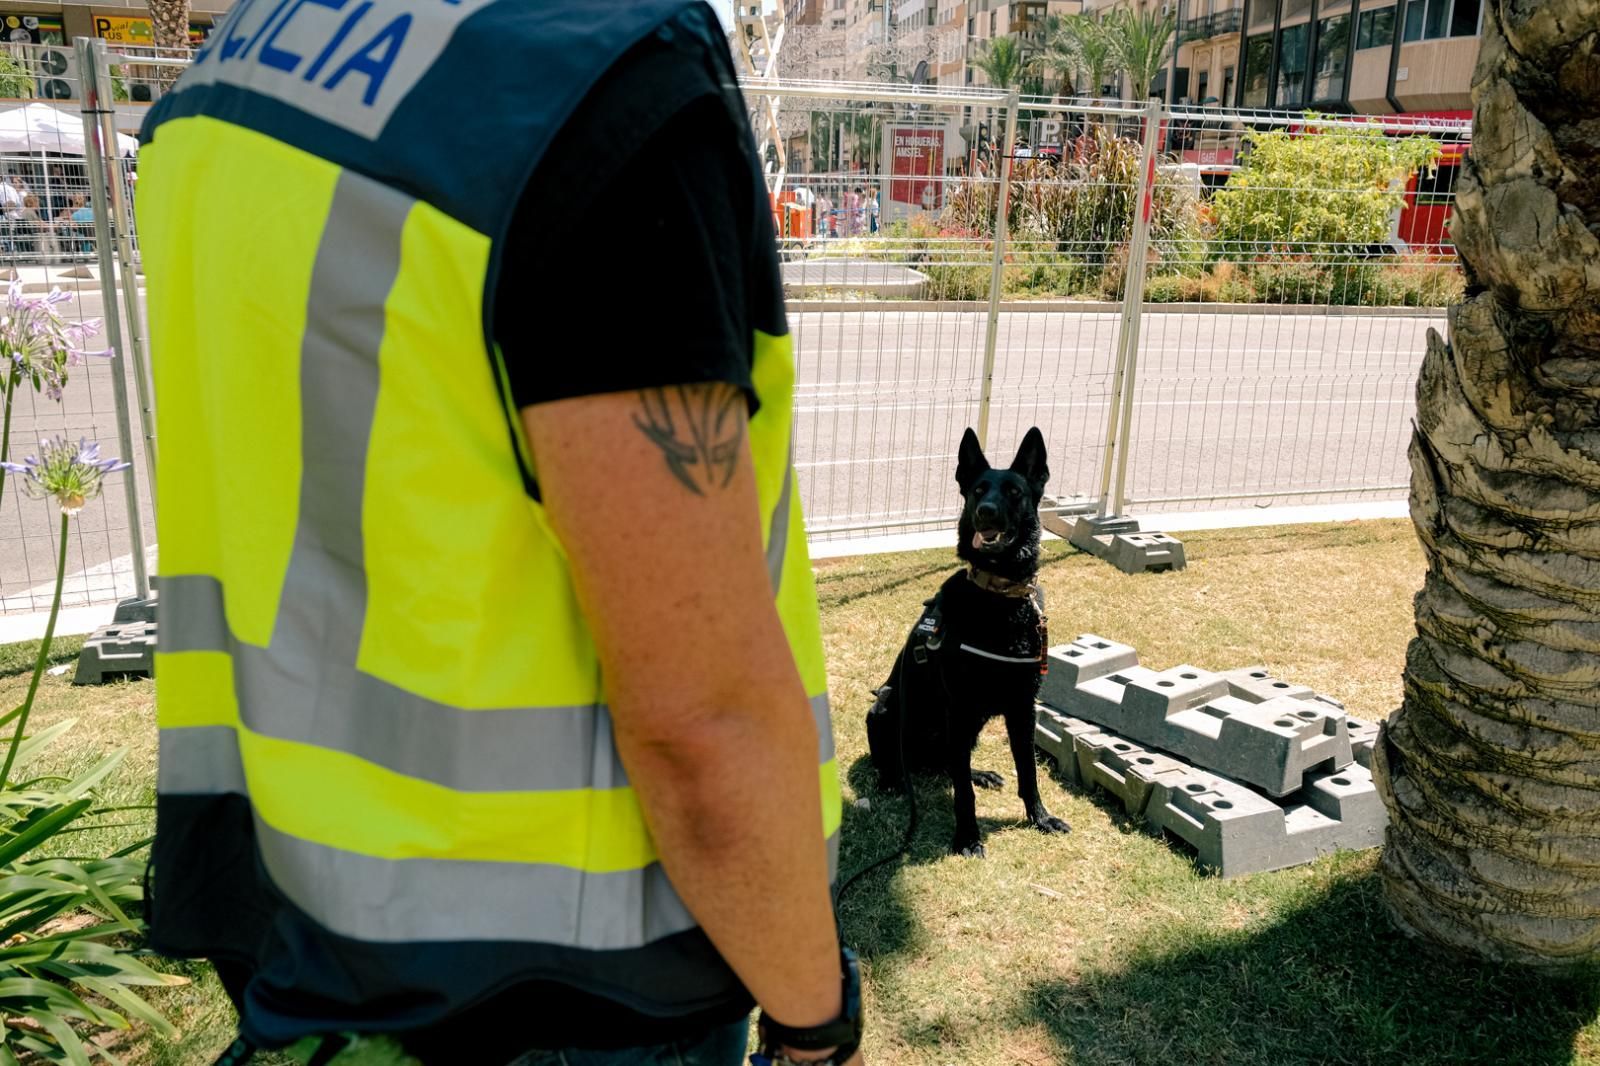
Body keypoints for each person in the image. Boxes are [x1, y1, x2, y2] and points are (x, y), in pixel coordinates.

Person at [138, 3, 859, 1066]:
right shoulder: (594, 84)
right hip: (575, 984)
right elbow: (700, 724)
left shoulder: (231, 71)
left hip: (308, 919)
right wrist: (816, 1025)